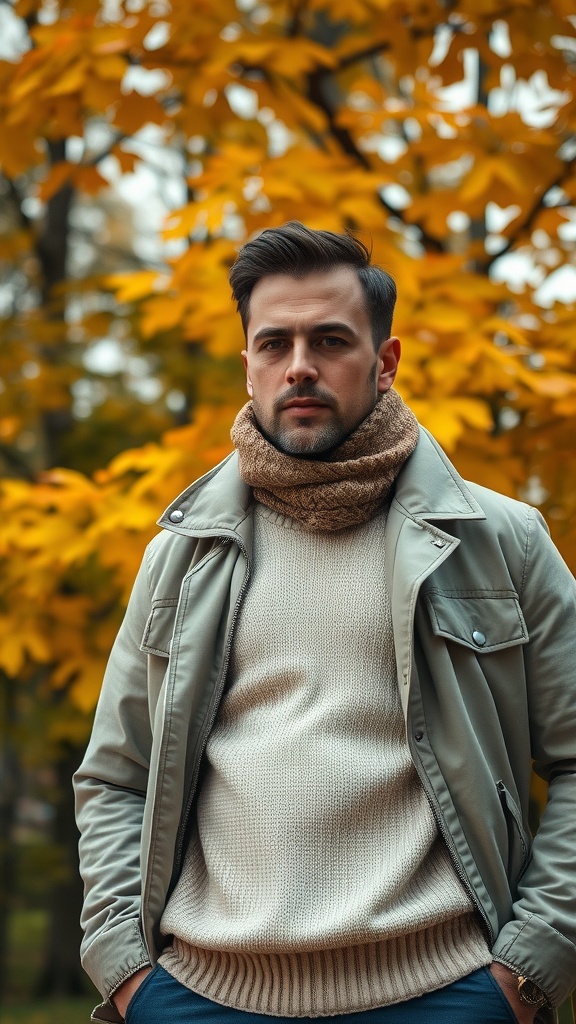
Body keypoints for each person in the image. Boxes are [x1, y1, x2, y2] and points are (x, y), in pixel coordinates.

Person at [74, 222, 576, 1024]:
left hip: (447, 994)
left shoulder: (501, 541)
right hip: (200, 999)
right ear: (248, 366)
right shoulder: (181, 557)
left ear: (384, 363)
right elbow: (114, 778)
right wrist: (128, 972)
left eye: (330, 339)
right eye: (273, 343)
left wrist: (529, 966)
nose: (299, 365)